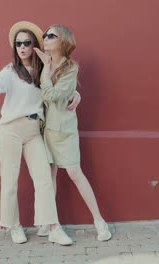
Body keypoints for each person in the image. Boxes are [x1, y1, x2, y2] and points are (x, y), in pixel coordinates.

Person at [0, 21, 78, 245]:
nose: (22, 46)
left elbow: (60, 86)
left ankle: (53, 227)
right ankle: (14, 226)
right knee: (9, 182)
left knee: (44, 180)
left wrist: (77, 93)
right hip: (10, 130)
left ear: (34, 45)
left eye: (27, 42)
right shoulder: (11, 71)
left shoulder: (44, 69)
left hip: (33, 131)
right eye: (18, 43)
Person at [34, 24, 112, 241]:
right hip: (44, 130)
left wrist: (50, 73)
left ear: (63, 41)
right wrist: (47, 69)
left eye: (51, 35)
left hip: (64, 131)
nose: (45, 38)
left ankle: (99, 221)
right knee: (49, 177)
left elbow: (51, 95)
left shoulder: (70, 68)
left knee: (75, 173)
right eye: (44, 35)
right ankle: (49, 222)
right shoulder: (42, 62)